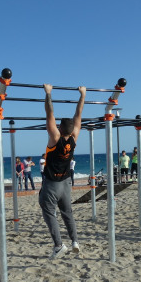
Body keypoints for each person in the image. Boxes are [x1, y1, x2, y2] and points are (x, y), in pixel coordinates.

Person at [39, 84, 86, 259]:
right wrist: (82, 95)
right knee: (67, 213)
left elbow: (49, 113)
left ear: (59, 128)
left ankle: (59, 245)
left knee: (49, 212)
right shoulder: (74, 138)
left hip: (52, 184)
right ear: (72, 129)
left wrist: (48, 93)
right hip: (66, 183)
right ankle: (75, 241)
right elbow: (78, 115)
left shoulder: (55, 138)